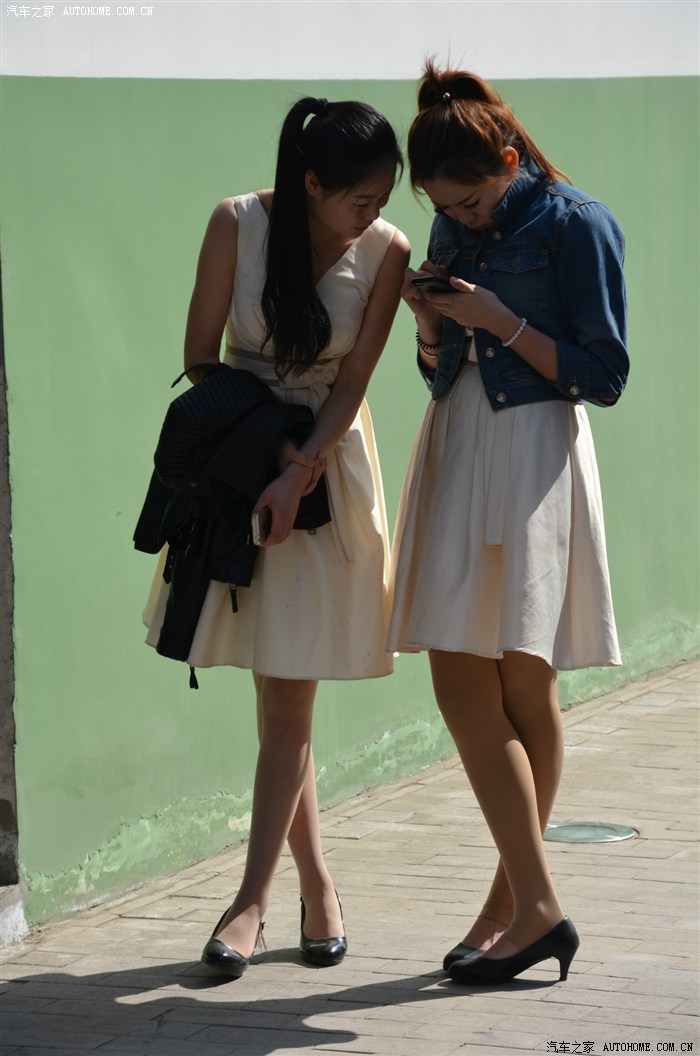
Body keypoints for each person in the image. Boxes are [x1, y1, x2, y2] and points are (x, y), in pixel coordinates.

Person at [143, 96, 409, 977]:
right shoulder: (237, 223)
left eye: (383, 198)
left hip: (328, 471)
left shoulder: (388, 251)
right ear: (311, 182)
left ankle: (251, 901)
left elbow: (354, 381)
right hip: (242, 460)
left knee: (289, 693)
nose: (373, 214)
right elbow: (200, 356)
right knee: (279, 692)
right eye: (359, 198)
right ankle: (317, 886)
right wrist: (270, 453)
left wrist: (301, 470)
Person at [387, 63, 629, 985]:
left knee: (520, 685)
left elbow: (604, 375)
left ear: (512, 161)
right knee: (468, 678)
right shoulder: (454, 222)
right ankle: (522, 909)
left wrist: (499, 319)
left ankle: (525, 908)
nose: (465, 218)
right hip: (459, 443)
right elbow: (439, 369)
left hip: (533, 452)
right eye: (448, 207)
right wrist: (432, 325)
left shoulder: (578, 223)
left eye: (477, 201)